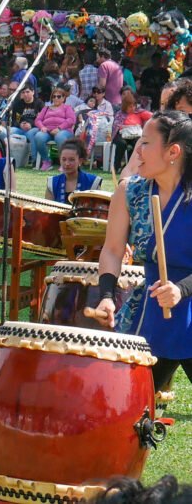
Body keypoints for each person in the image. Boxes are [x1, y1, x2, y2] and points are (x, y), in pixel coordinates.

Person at [89, 111, 192, 394]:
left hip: (189, 301)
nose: (138, 151)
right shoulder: (130, 191)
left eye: (145, 143)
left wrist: (181, 290)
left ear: (173, 151)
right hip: (151, 312)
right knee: (127, 406)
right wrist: (107, 296)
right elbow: (112, 250)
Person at [30, 87, 76, 171]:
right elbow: (38, 120)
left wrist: (59, 128)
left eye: (58, 96)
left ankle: (64, 163)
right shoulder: (46, 108)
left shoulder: (67, 107)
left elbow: (71, 120)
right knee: (38, 136)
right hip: (48, 131)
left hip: (64, 131)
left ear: (63, 98)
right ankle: (46, 161)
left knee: (59, 137)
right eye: (54, 96)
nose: (56, 98)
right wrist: (42, 127)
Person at [45, 138, 102, 203]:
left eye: (71, 160)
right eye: (64, 159)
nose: (67, 163)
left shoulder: (92, 182)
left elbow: (97, 210)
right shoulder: (52, 183)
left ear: (80, 161)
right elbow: (48, 209)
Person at [111, 89, 153, 173]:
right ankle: (116, 167)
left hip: (135, 134)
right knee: (121, 144)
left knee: (137, 143)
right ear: (125, 106)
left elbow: (152, 116)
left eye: (134, 105)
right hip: (121, 134)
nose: (133, 108)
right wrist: (123, 127)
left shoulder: (139, 112)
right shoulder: (120, 114)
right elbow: (115, 126)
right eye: (130, 106)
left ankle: (131, 166)